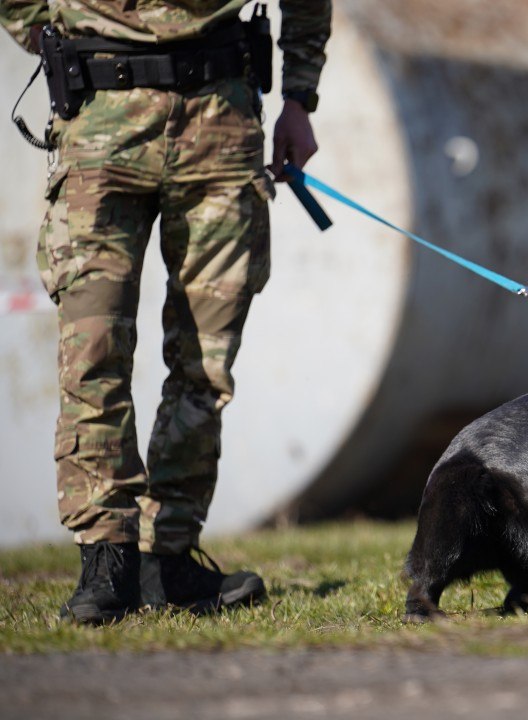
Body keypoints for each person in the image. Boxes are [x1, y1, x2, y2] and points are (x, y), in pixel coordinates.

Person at [0, 0, 331, 624]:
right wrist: (59, 36)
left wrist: (299, 98)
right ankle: (107, 562)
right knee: (92, 355)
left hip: (220, 123)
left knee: (205, 363)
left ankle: (168, 557)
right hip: (100, 124)